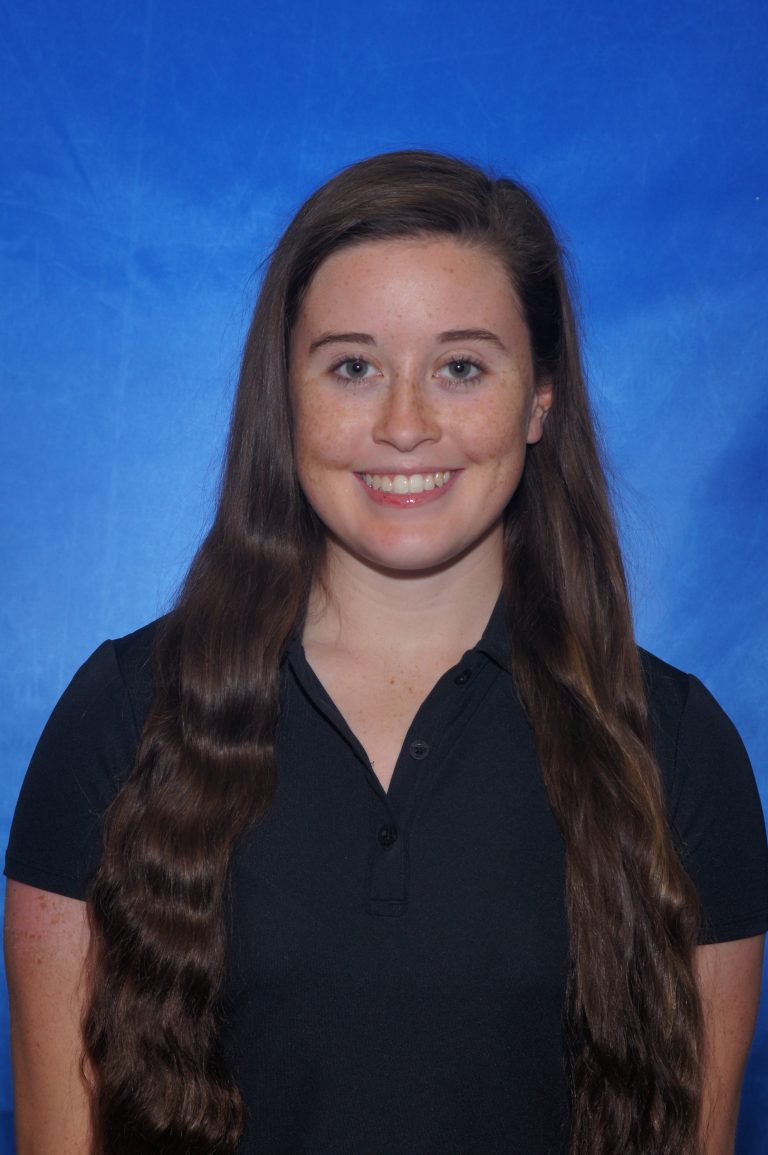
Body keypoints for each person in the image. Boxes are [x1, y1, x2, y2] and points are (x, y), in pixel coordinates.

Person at [4, 150, 767, 1155]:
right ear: (287, 394)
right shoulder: (116, 718)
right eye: (354, 367)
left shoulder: (679, 750)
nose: (406, 425)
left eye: (461, 367)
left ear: (540, 398)